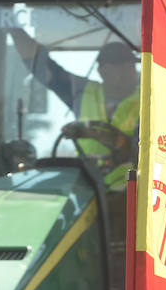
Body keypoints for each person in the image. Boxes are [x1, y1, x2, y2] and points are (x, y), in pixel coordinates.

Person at [10, 29, 140, 188]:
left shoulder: (149, 100)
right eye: (119, 66)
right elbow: (41, 66)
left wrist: (91, 132)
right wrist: (13, 27)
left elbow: (133, 151)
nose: (127, 72)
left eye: (130, 66)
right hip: (87, 188)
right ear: (102, 71)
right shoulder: (82, 92)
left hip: (132, 192)